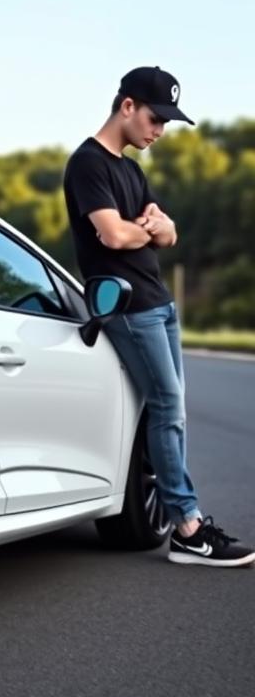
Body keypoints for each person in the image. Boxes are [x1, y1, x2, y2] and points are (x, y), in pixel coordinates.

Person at [63, 66, 254, 567]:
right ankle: (188, 528)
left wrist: (154, 227)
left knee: (173, 410)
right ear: (127, 106)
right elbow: (113, 236)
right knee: (167, 405)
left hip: (159, 303)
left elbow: (170, 235)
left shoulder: (131, 168)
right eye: (155, 118)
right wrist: (147, 228)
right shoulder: (88, 164)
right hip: (127, 306)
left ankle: (181, 521)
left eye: (167, 122)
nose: (160, 131)